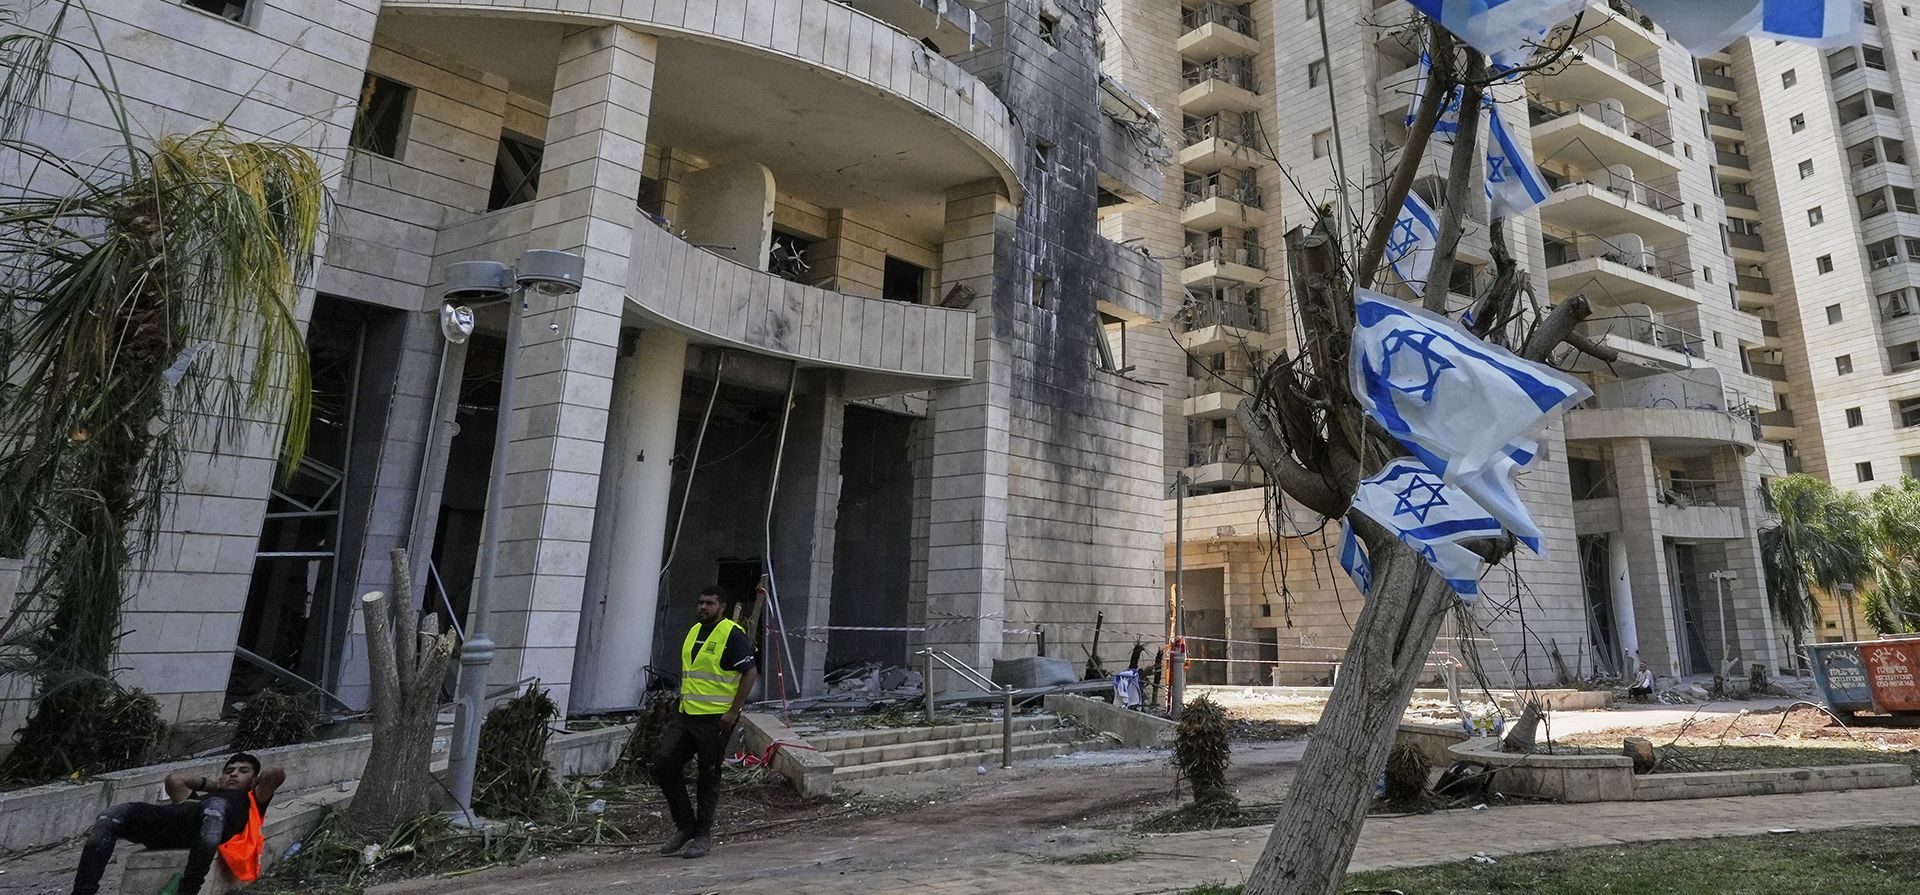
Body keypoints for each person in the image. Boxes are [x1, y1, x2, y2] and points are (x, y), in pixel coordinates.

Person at [72, 752, 284, 895]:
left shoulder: (253, 799)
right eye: (229, 770)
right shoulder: (206, 796)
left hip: (206, 826)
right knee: (112, 815)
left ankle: (188, 890)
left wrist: (250, 784)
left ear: (254, 779)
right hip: (169, 824)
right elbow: (175, 780)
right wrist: (216, 786)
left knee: (214, 807)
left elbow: (274, 774)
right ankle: (83, 891)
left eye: (242, 771)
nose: (234, 773)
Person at [651, 585, 759, 859]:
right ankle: (686, 825)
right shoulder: (692, 633)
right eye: (700, 602)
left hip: (716, 719)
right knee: (664, 766)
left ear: (722, 606)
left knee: (708, 776)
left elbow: (749, 672)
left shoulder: (732, 634)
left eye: (709, 603)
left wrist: (733, 712)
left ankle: (703, 835)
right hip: (687, 715)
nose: (702, 607)